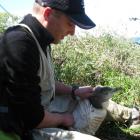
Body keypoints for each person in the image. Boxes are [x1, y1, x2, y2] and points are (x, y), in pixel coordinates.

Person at [0, 0, 139, 140]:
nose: (72, 32)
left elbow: (41, 82)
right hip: (24, 127)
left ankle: (133, 115)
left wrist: (74, 91)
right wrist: (62, 119)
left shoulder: (41, 38)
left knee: (95, 97)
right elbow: (31, 118)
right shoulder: (19, 44)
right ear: (48, 14)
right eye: (70, 23)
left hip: (42, 106)